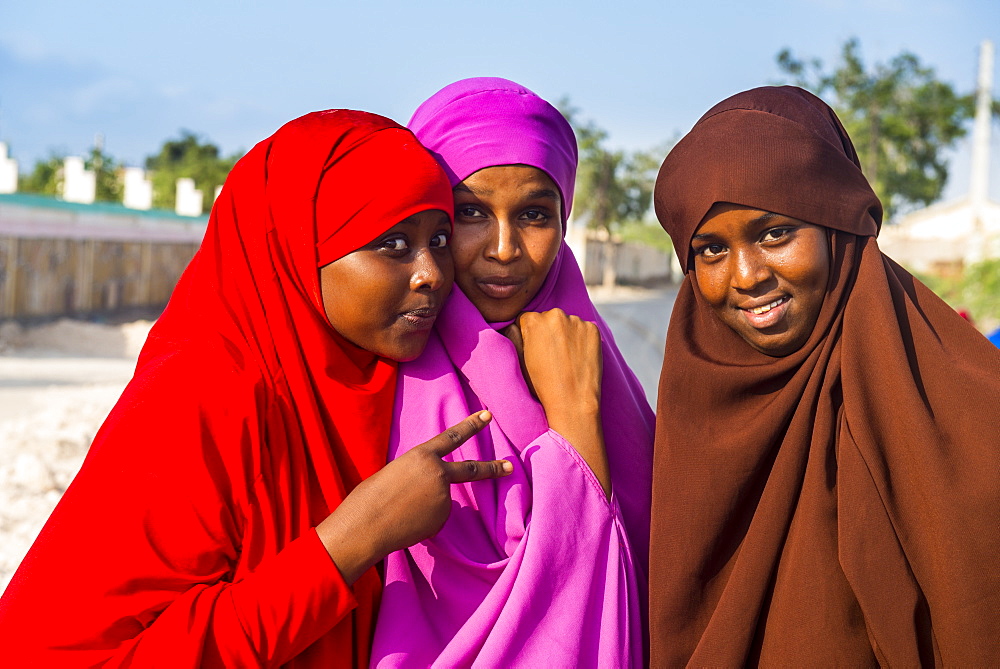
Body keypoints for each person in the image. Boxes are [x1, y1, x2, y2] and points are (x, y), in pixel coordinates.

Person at [0, 110, 513, 667]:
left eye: (439, 239)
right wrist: (351, 542)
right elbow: (58, 654)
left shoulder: (400, 379)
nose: (432, 273)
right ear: (298, 247)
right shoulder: (203, 392)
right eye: (392, 245)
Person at [648, 86, 1000, 666]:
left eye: (773, 234)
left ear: (839, 228)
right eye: (710, 250)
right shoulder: (694, 411)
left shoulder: (968, 408)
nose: (745, 276)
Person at [371, 78, 655, 668]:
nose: (504, 249)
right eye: (471, 211)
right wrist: (574, 422)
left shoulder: (596, 362)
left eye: (533, 214)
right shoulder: (389, 366)